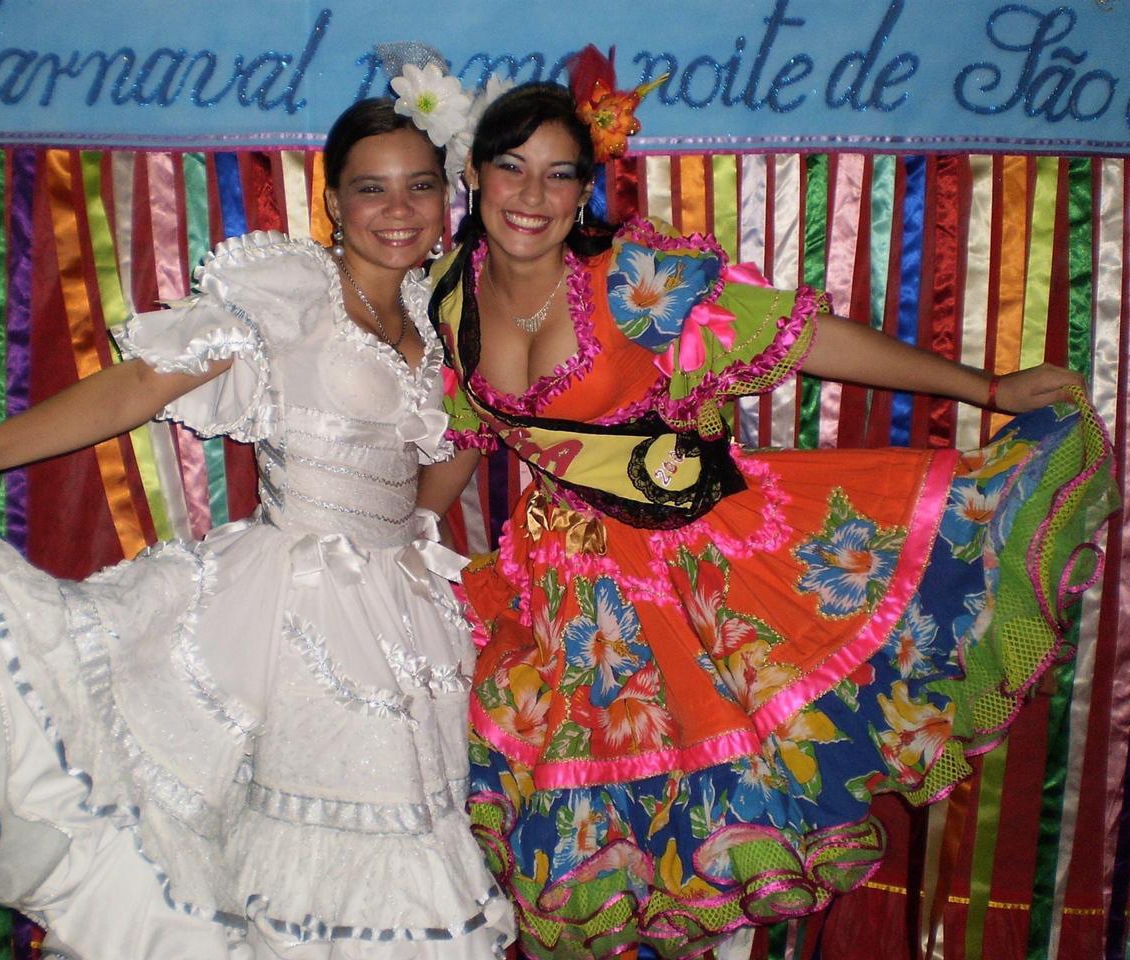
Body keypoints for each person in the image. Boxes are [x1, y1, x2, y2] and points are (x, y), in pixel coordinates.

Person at [419, 81, 1117, 959]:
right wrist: (405, 537)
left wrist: (988, 388)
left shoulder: (633, 279)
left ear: (585, 190)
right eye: (512, 167)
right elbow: (468, 428)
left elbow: (804, 338)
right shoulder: (451, 293)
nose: (532, 195)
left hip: (692, 576)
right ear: (474, 174)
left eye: (559, 174)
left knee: (721, 814)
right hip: (565, 603)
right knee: (614, 833)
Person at [0, 99, 514, 960]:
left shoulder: (442, 315)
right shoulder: (291, 294)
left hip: (406, 618)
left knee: (405, 852)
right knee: (302, 856)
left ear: (447, 197)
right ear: (334, 202)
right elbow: (139, 387)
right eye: (371, 188)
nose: (398, 209)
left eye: (419, 186)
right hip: (294, 612)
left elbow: (441, 466)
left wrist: (442, 495)